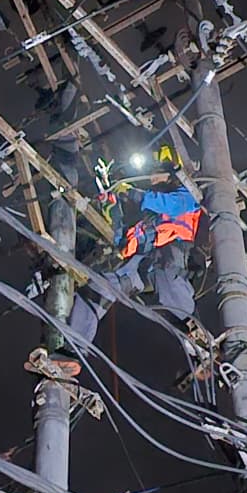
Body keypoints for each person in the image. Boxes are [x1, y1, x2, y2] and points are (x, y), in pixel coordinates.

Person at [68, 145, 202, 347]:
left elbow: (168, 205)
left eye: (157, 171)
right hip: (139, 265)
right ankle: (74, 349)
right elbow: (122, 240)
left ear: (173, 171)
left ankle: (197, 335)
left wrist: (130, 192)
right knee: (99, 286)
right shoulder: (148, 214)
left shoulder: (188, 196)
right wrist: (112, 206)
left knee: (167, 279)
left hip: (169, 255)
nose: (151, 177)